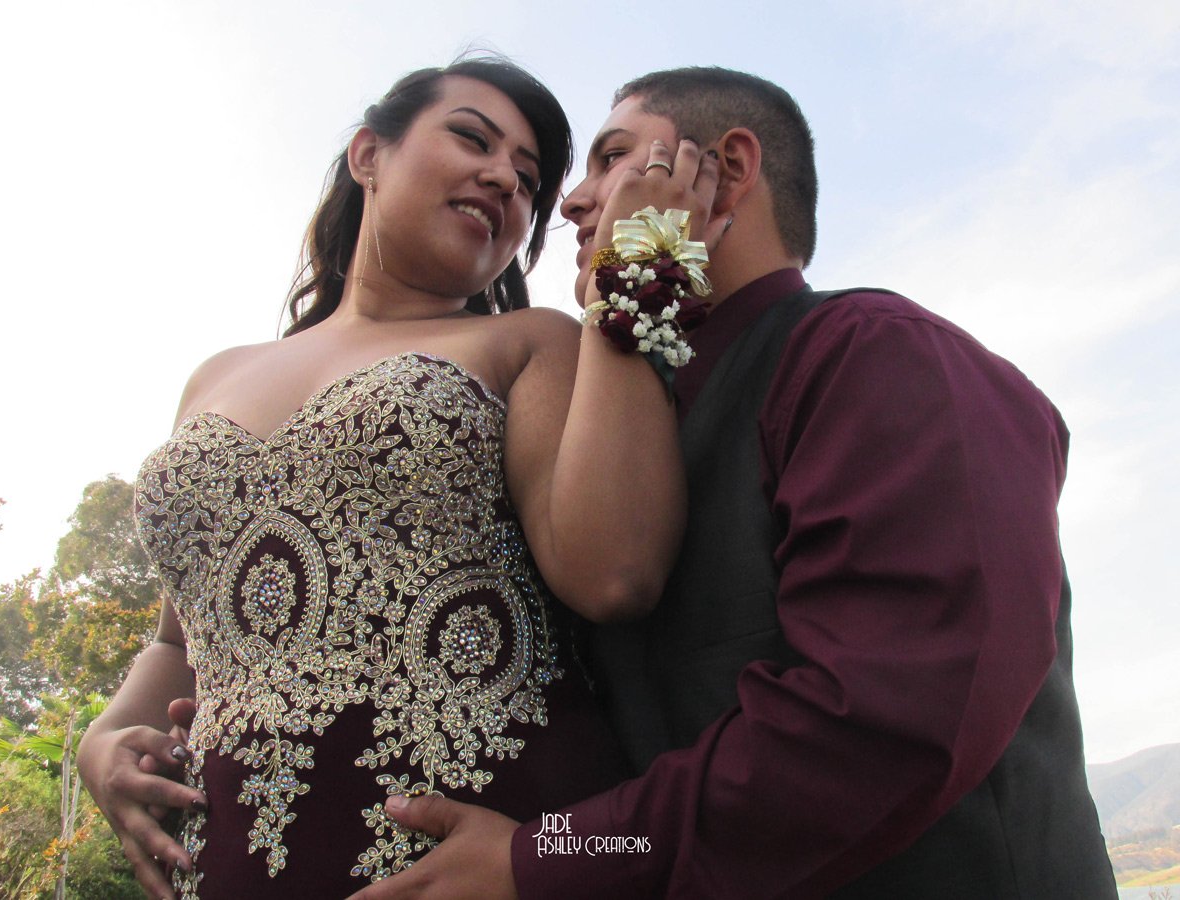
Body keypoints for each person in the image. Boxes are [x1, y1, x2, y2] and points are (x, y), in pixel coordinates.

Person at [357, 67, 1118, 899]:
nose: (571, 203)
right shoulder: (611, 451)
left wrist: (549, 856)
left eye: (611, 157)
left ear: (727, 171)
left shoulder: (879, 354)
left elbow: (878, 728)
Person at [77, 57, 722, 900]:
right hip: (228, 863)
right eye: (471, 138)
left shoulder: (531, 343)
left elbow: (616, 572)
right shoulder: (214, 377)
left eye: (528, 181)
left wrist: (632, 275)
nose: (504, 179)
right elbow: (178, 641)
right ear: (367, 156)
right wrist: (107, 736)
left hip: (470, 851)